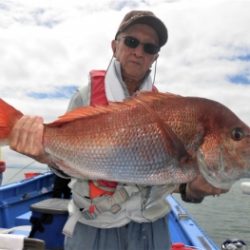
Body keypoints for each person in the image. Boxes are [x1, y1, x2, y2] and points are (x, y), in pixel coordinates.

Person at [9, 10, 228, 250]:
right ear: (115, 46)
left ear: (154, 58)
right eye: (131, 42)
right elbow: (62, 168)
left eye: (149, 47)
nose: (138, 51)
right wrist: (43, 154)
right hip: (95, 225)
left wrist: (193, 190)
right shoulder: (86, 97)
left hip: (150, 225)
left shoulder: (165, 108)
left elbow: (169, 178)